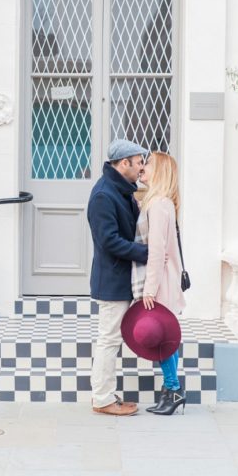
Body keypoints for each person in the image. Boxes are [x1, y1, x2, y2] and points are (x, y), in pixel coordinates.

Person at [87, 139, 149, 416]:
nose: (142, 168)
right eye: (138, 163)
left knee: (110, 339)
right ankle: (102, 400)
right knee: (109, 340)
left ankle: (105, 395)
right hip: (112, 279)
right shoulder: (104, 195)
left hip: (121, 277)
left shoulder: (120, 190)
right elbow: (109, 241)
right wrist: (147, 253)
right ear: (123, 163)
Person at [133, 152, 187, 415]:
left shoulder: (157, 204)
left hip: (160, 283)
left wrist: (149, 290)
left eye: (148, 164)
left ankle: (173, 388)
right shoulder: (162, 202)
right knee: (166, 337)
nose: (142, 167)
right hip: (166, 279)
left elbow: (157, 251)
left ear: (161, 171)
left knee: (161, 339)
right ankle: (171, 390)